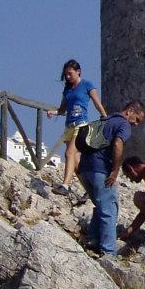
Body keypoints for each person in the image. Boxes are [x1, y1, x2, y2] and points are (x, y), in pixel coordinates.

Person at [77, 100, 145, 256]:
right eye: (137, 120)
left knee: (100, 205)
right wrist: (115, 171)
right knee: (109, 209)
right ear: (129, 111)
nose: (136, 124)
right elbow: (117, 144)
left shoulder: (104, 120)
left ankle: (93, 240)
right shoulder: (123, 124)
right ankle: (109, 252)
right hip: (101, 170)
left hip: (84, 169)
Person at [45, 59, 107, 195]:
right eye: (65, 74)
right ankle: (90, 191)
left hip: (81, 124)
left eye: (70, 74)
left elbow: (97, 103)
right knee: (76, 162)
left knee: (69, 154)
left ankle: (65, 186)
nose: (67, 77)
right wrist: (53, 112)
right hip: (69, 126)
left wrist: (104, 116)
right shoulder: (67, 89)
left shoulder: (87, 85)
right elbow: (62, 110)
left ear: (78, 71)